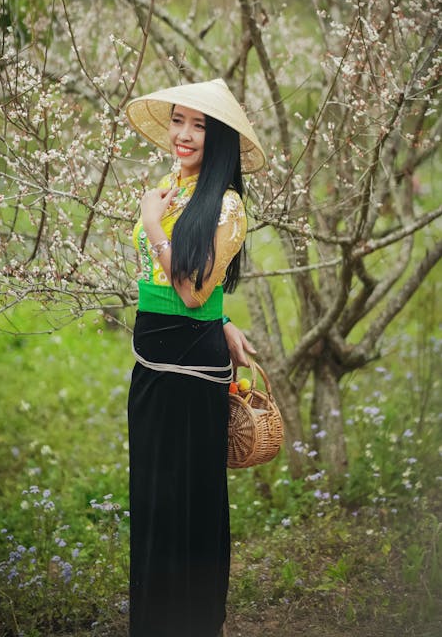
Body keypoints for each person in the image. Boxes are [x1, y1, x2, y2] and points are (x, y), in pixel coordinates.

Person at [125, 77, 266, 637]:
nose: (183, 135)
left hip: (189, 377)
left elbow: (191, 291)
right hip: (152, 370)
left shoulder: (227, 206)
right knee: (154, 503)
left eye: (199, 125)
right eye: (178, 120)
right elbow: (171, 286)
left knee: (187, 506)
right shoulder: (170, 184)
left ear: (221, 138)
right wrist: (225, 321)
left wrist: (154, 224)